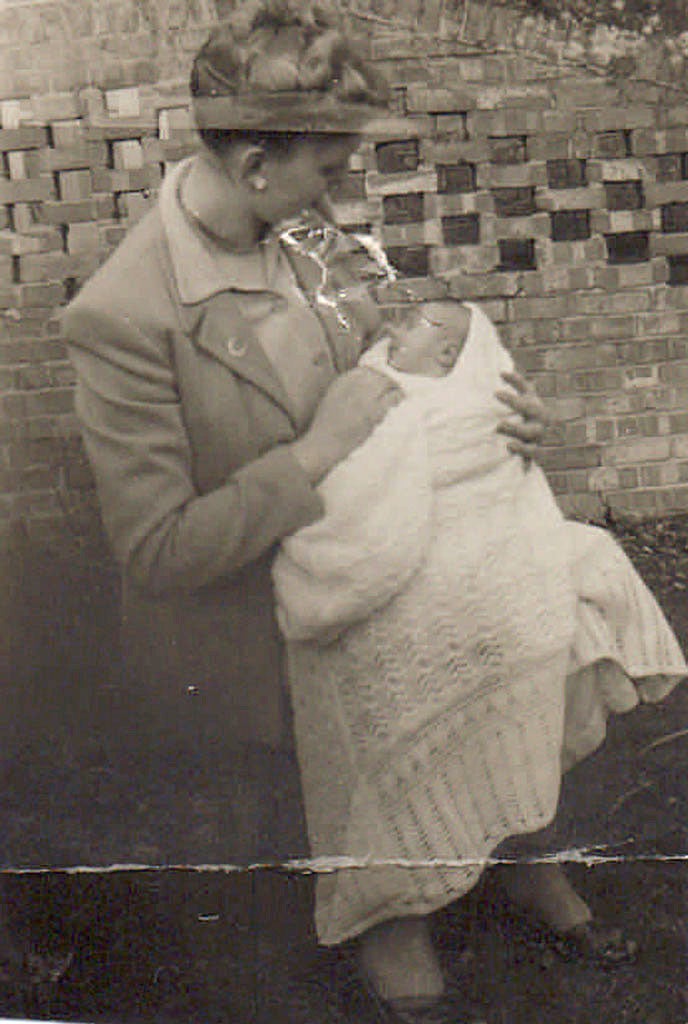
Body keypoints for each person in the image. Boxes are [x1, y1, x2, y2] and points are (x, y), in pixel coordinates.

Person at [61, 2, 550, 1020]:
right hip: (244, 616)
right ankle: (399, 901)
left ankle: (512, 829)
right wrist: (318, 448)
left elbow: (396, 370)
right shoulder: (125, 313)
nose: (346, 193)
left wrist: (495, 417)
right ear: (251, 166)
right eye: (328, 170)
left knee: (537, 585)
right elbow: (157, 550)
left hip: (357, 548)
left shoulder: (309, 240)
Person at [272, 296, 687, 1015]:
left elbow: (499, 454)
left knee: (534, 622)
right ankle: (391, 912)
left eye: (421, 327)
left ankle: (527, 849)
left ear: (450, 361)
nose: (397, 326)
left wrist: (500, 425)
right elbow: (355, 480)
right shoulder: (374, 382)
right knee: (393, 658)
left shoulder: (456, 384)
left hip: (481, 541)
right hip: (360, 545)